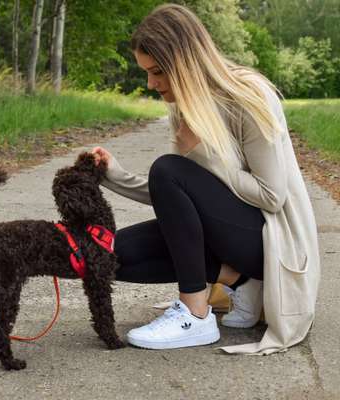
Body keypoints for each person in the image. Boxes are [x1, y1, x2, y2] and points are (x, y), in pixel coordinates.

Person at [91, 3, 320, 355]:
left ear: (184, 64)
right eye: (147, 73)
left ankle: (196, 314)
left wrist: (202, 155)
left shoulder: (248, 96)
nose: (151, 84)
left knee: (168, 167)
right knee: (109, 255)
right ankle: (238, 280)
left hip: (272, 243)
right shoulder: (187, 106)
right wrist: (112, 175)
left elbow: (271, 196)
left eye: (157, 72)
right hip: (231, 238)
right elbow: (176, 198)